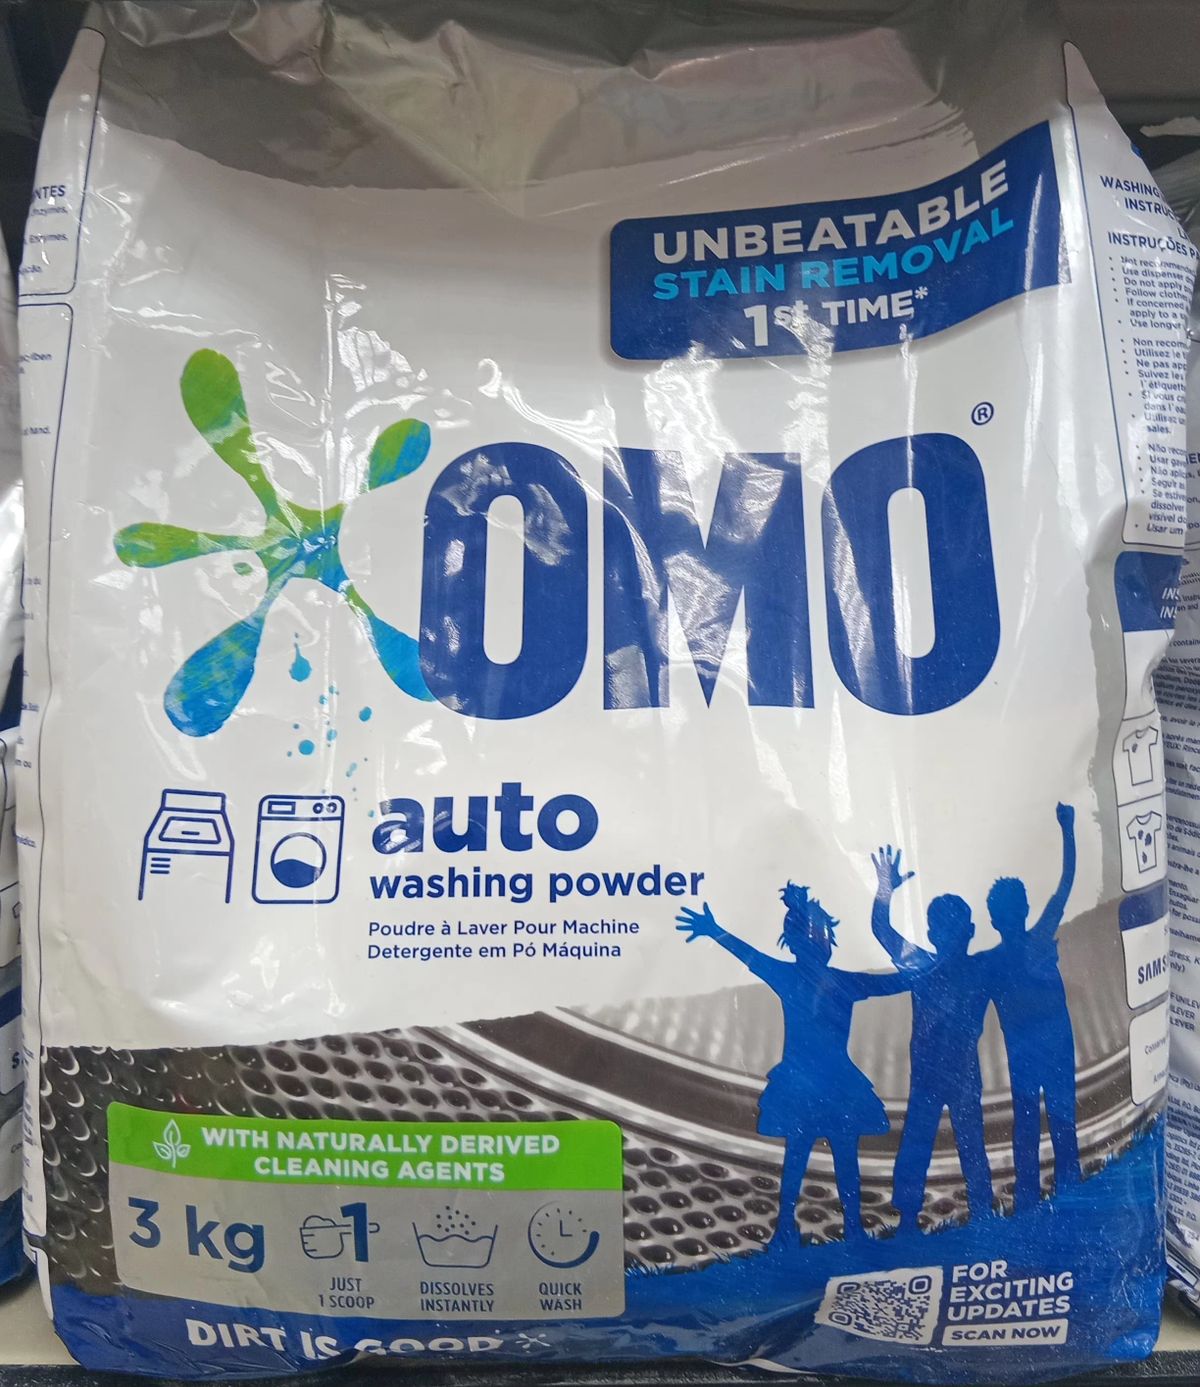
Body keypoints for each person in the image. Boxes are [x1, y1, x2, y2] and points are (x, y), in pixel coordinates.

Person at [676, 885, 907, 1247]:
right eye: (815, 935)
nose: (819, 942)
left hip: (820, 1083)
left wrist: (714, 929)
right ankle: (801, 1226)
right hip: (813, 1083)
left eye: (821, 935)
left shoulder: (831, 980)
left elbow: (894, 982)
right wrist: (714, 930)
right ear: (801, 942)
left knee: (821, 1156)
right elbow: (896, 982)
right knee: (812, 1156)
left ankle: (832, 1227)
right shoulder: (834, 980)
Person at [870, 846, 993, 1233]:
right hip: (930, 1073)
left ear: (969, 932)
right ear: (932, 934)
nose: (951, 936)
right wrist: (885, 889)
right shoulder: (922, 965)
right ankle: (909, 1217)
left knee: (967, 1144)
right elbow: (881, 930)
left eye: (956, 927)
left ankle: (981, 1212)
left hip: (960, 1073)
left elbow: (882, 930)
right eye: (944, 928)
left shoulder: (975, 969)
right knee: (921, 1143)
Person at [987, 802, 1078, 1210]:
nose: (1014, 914)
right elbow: (1064, 885)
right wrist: (1067, 829)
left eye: (1015, 907)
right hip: (1037, 1049)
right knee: (1044, 1123)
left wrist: (1068, 828)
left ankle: (1046, 1193)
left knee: (1046, 1123)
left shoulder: (1025, 946)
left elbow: (1065, 886)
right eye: (1010, 910)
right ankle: (1042, 1193)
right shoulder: (1009, 954)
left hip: (1046, 1046)